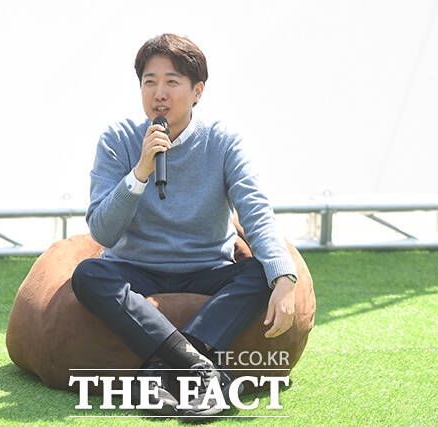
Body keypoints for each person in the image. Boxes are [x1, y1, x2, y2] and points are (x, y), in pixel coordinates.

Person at [71, 33, 299, 417]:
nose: (159, 93)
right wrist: (140, 172)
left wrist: (284, 277)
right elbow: (102, 231)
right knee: (88, 275)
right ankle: (200, 368)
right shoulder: (118, 139)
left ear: (197, 92)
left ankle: (161, 369)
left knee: (260, 273)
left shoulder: (223, 142)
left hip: (206, 268)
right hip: (134, 267)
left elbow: (255, 211)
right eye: (150, 82)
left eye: (172, 82)